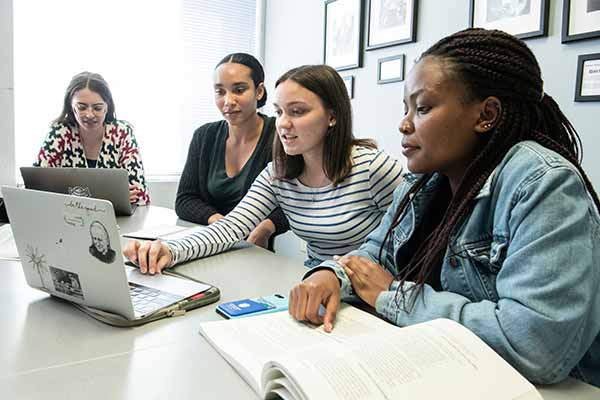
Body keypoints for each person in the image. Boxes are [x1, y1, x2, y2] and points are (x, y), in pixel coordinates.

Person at [288, 28, 600, 387]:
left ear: (487, 115)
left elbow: (534, 345)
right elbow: (372, 257)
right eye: (405, 108)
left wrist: (395, 298)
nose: (403, 124)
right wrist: (329, 275)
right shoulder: (423, 183)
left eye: (422, 108)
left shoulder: (542, 183)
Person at [124, 64, 404, 275]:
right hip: (315, 281)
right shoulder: (278, 174)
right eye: (280, 111)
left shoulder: (372, 168)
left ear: (332, 116)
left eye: (297, 111)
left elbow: (419, 238)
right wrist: (168, 250)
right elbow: (229, 228)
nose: (282, 123)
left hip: (371, 291)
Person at [175, 53, 289, 249]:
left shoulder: (280, 137)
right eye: (220, 92)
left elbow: (294, 202)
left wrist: (266, 227)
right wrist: (221, 224)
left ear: (259, 91)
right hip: (207, 245)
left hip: (255, 250)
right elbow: (185, 200)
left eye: (239, 89)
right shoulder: (204, 136)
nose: (228, 100)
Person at [34, 71, 150, 205]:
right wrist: (110, 198)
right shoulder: (59, 133)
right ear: (71, 107)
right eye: (82, 107)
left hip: (117, 221)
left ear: (107, 107)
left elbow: (139, 194)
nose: (89, 115)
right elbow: (37, 188)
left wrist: (76, 196)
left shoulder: (122, 133)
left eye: (97, 108)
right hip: (67, 219)